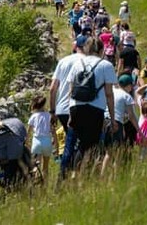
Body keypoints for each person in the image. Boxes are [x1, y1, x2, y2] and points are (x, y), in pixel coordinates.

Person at [67, 36, 117, 172]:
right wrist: (112, 119)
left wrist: (70, 114)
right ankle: (84, 174)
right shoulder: (106, 65)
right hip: (95, 109)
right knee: (92, 145)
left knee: (80, 143)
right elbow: (109, 94)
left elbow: (71, 91)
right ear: (102, 50)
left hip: (76, 108)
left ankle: (74, 173)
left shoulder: (77, 63)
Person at [49, 36, 86, 179]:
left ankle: (66, 172)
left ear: (75, 46)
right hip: (79, 107)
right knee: (79, 142)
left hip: (61, 109)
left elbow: (53, 88)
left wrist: (52, 111)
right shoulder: (87, 62)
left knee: (71, 141)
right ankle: (72, 173)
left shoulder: (63, 62)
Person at [27, 95, 54, 182]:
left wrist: (27, 142)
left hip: (36, 142)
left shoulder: (33, 116)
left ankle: (35, 182)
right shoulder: (49, 116)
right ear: (43, 105)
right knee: (45, 167)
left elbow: (29, 131)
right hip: (47, 141)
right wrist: (56, 145)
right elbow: (53, 131)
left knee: (35, 165)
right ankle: (44, 185)